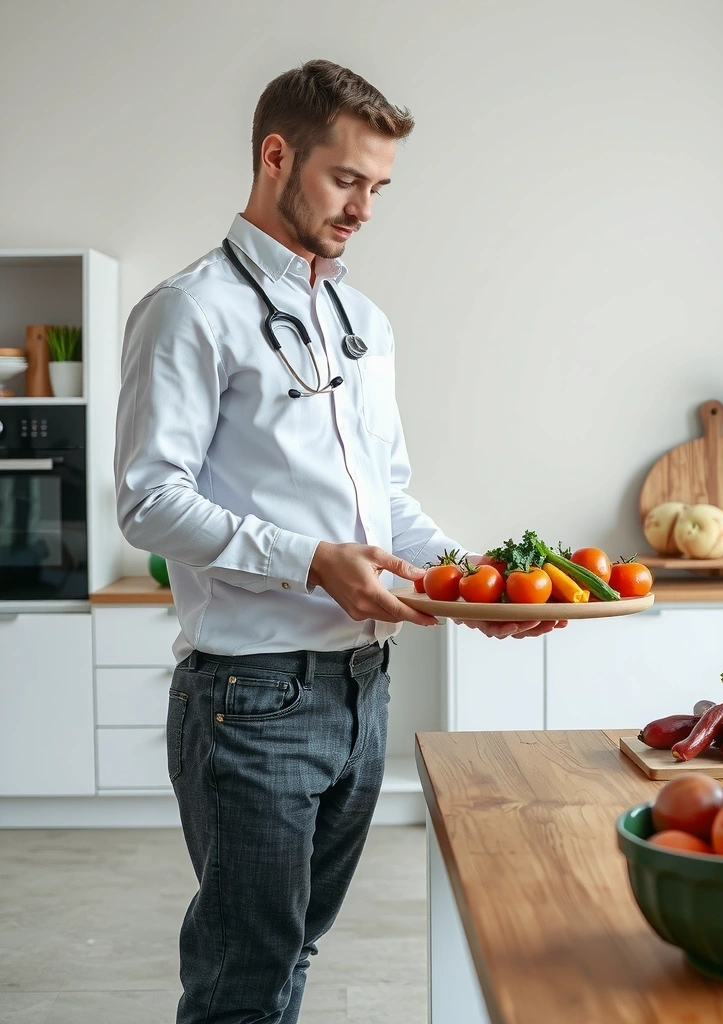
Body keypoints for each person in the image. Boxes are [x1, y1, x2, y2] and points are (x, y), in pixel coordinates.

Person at [114, 59, 561, 1024]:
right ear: (277, 156)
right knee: (245, 971)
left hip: (361, 688)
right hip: (251, 695)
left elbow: (385, 501)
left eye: (379, 187)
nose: (365, 207)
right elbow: (149, 502)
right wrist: (313, 561)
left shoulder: (361, 322)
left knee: (292, 954)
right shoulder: (190, 311)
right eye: (346, 179)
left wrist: (471, 585)